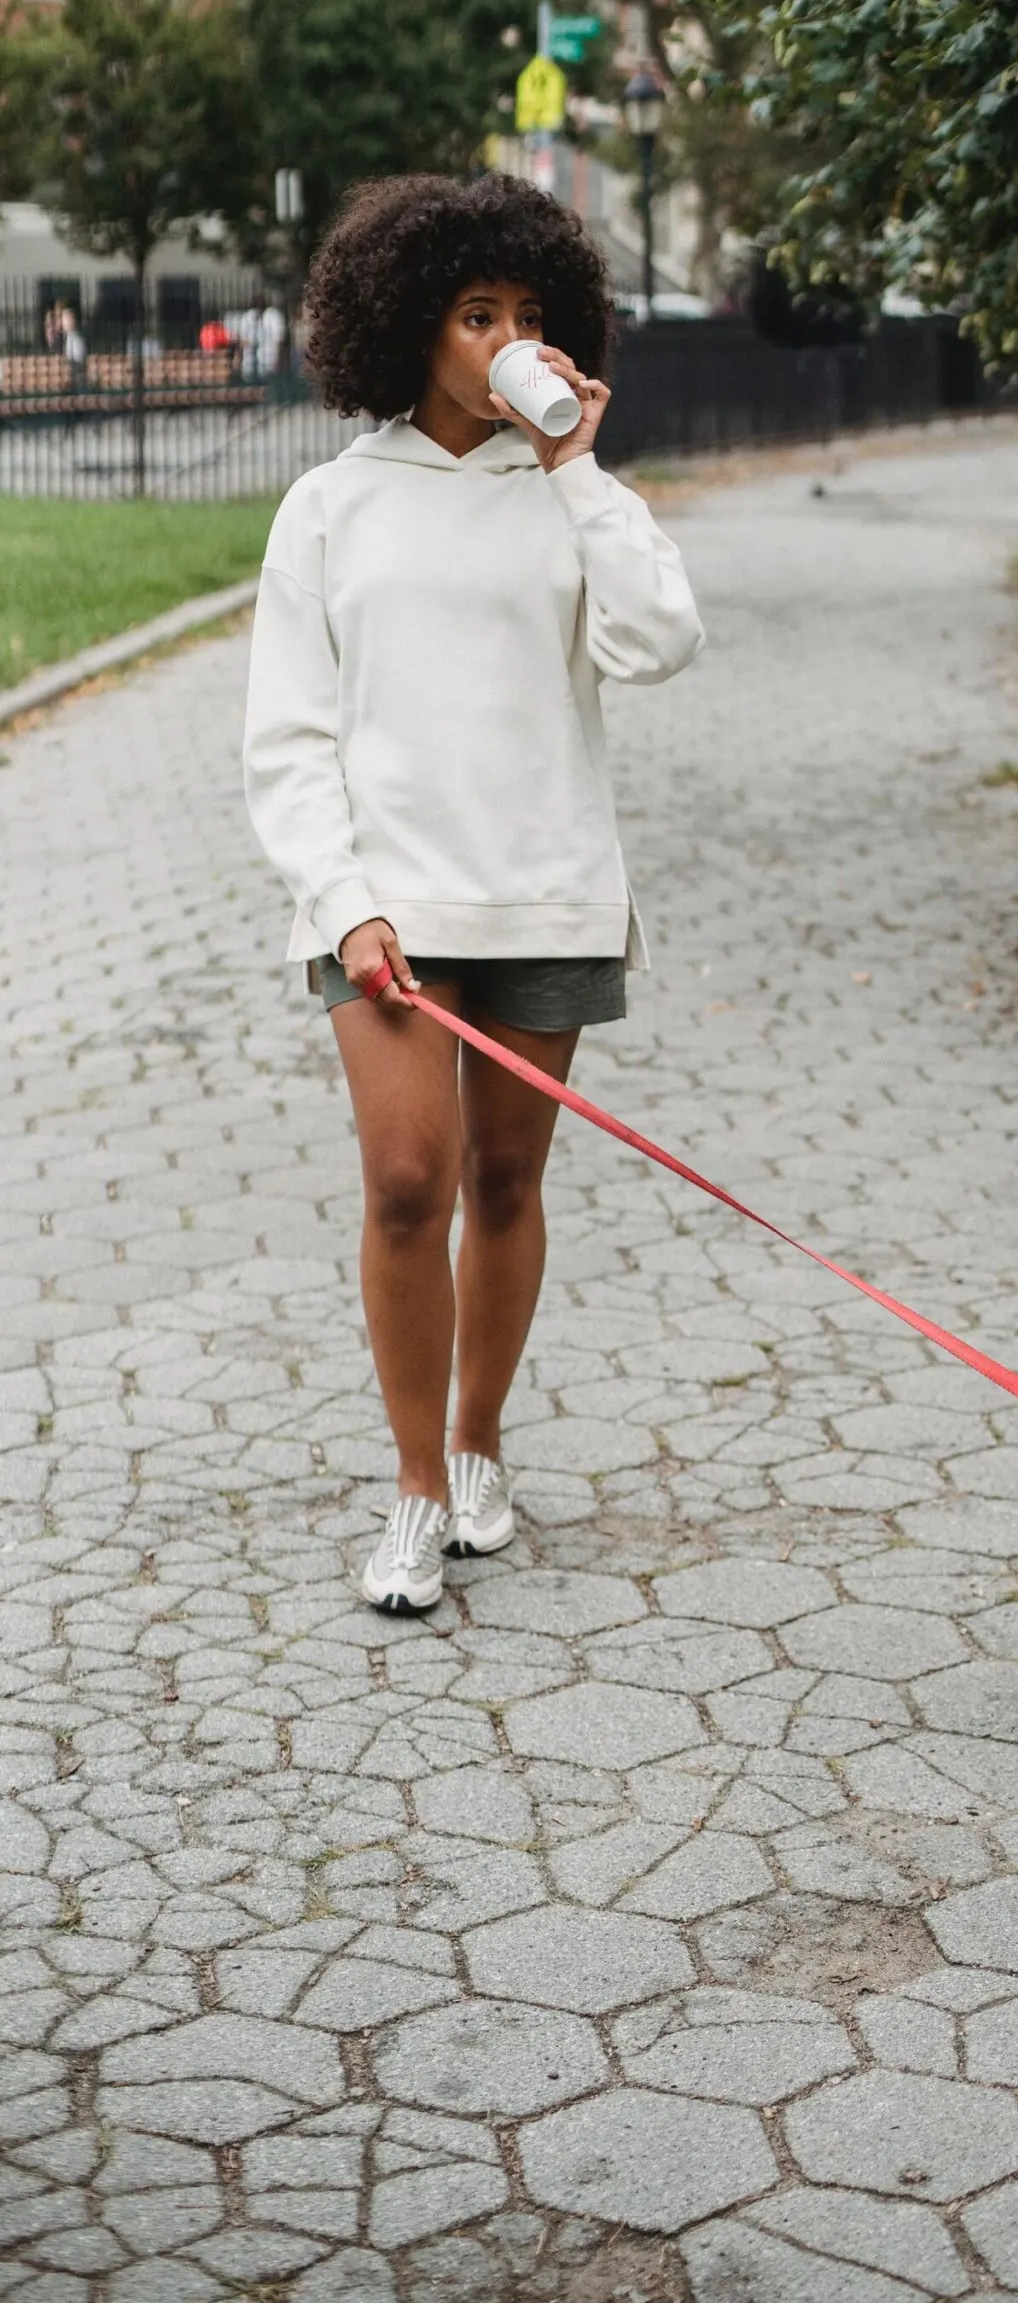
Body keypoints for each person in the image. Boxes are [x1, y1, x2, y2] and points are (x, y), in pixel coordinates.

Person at [242, 173, 703, 1615]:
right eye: (476, 313)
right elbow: (288, 735)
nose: (511, 338)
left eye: (530, 316)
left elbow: (659, 642)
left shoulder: (570, 495)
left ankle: (481, 1444)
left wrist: (575, 466)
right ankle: (413, 1494)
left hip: (546, 889)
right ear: (409, 328)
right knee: (404, 1182)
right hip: (385, 908)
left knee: (506, 1180)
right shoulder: (330, 507)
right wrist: (340, 897)